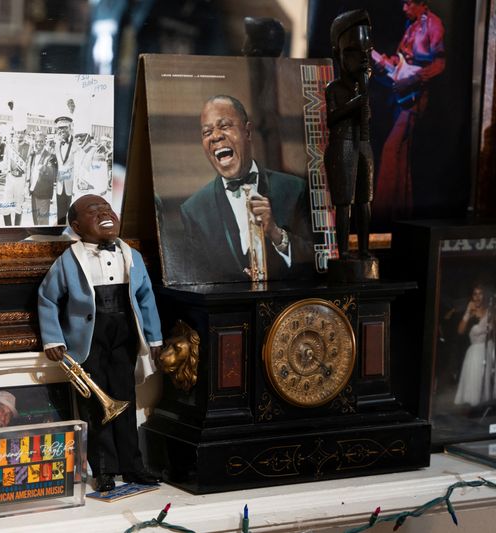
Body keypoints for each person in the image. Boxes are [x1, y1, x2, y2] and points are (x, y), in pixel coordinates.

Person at [38, 194, 163, 492]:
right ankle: (104, 469)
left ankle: (133, 466)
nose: (104, 213)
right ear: (77, 225)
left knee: (126, 400)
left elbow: (146, 297)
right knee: (96, 406)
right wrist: (53, 338)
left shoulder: (129, 254)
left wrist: (154, 336)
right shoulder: (69, 260)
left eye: (107, 208)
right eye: (93, 210)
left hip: (124, 335)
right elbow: (47, 299)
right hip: (89, 340)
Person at [180, 95, 313, 282]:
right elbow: (197, 279)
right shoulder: (194, 211)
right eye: (207, 132)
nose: (215, 136)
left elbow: (317, 261)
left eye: (225, 126)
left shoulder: (294, 189)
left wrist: (276, 233)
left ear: (248, 132)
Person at [372, 0, 445, 223]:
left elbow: (440, 63)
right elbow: (403, 60)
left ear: (422, 4)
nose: (404, 8)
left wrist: (413, 79)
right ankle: (400, 213)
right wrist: (385, 62)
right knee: (401, 153)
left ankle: (380, 214)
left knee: (391, 148)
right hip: (402, 96)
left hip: (416, 95)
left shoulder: (433, 24)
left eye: (408, 3)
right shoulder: (410, 25)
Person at [324, 10, 375, 260]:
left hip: (362, 143)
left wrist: (362, 96)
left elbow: (366, 118)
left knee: (365, 199)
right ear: (338, 54)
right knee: (344, 201)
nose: (364, 58)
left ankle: (364, 249)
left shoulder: (364, 85)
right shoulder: (334, 88)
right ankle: (342, 251)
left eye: (367, 51)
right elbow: (331, 119)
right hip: (342, 144)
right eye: (355, 51)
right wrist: (356, 102)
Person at [454, 285, 494, 406]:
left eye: (480, 293)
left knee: (486, 382)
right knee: (475, 383)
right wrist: (467, 312)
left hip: (489, 349)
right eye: (475, 294)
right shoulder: (470, 312)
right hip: (475, 351)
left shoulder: (490, 311)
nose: (477, 297)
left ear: (484, 296)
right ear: (472, 297)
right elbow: (460, 331)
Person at [3, 126, 31, 226]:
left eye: (22, 133)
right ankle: (8, 228)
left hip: (21, 178)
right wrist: (6, 171)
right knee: (6, 204)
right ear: (14, 133)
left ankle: (17, 227)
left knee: (19, 205)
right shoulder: (9, 145)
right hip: (10, 177)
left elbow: (28, 164)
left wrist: (27, 181)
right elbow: (6, 160)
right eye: (18, 133)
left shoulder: (29, 146)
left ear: (25, 133)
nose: (19, 135)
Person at [28, 133, 58, 225]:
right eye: (37, 141)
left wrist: (44, 168)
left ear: (45, 142)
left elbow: (52, 173)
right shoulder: (33, 155)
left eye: (41, 141)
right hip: (34, 192)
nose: (39, 143)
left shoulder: (51, 156)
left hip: (44, 193)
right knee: (35, 220)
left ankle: (43, 239)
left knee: (43, 222)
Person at [53, 116, 76, 225]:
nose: (62, 130)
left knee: (72, 216)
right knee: (60, 215)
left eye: (64, 127)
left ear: (69, 128)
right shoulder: (57, 145)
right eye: (60, 128)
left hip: (71, 185)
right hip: (60, 185)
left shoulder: (76, 144)